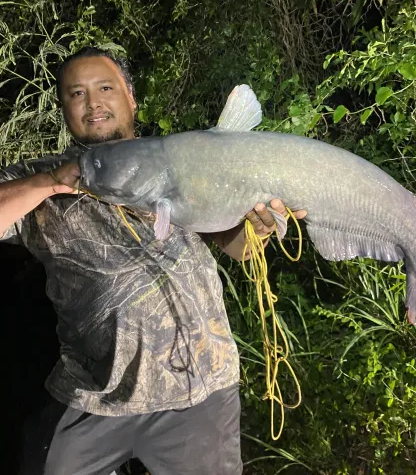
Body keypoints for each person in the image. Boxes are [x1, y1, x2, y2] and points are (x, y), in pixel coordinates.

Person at [0, 46, 306, 475]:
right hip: (94, 392)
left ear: (131, 97)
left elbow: (239, 247)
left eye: (105, 88)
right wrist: (50, 182)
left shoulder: (183, 158)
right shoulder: (37, 177)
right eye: (77, 94)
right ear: (64, 109)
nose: (93, 103)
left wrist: (260, 227)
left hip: (199, 389)